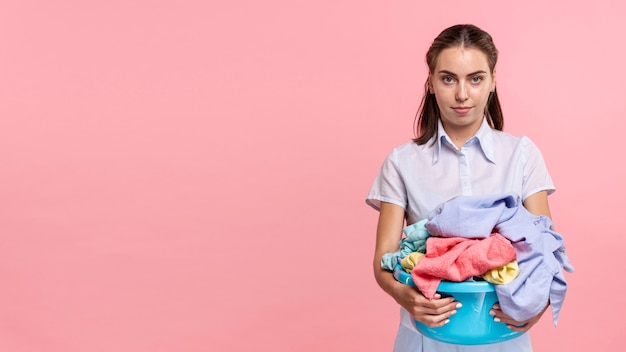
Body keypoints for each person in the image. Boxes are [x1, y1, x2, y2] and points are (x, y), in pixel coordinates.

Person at [365, 24, 557, 351]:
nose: (462, 94)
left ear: (493, 81)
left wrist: (536, 308)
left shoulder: (521, 154)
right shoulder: (402, 162)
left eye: (476, 78)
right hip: (425, 335)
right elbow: (384, 258)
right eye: (448, 78)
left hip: (503, 335)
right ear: (431, 83)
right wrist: (405, 296)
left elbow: (545, 248)